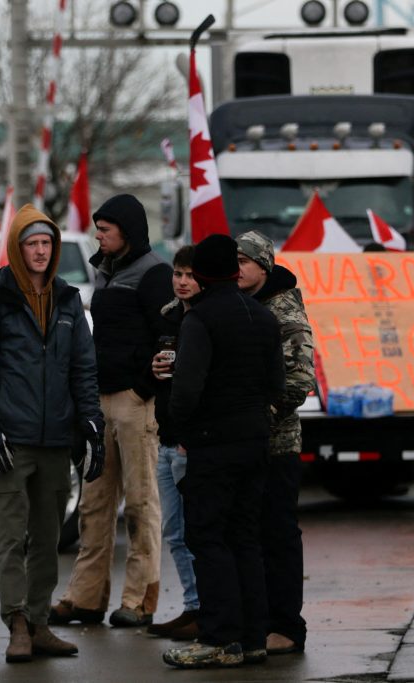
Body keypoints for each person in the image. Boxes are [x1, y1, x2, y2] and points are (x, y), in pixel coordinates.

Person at [0, 205, 104, 663]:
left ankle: (40, 622)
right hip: (10, 439)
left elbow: (83, 368)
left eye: (47, 243)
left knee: (48, 537)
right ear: (17, 248)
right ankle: (18, 623)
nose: (41, 251)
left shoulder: (67, 299)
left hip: (55, 441)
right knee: (8, 537)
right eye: (32, 244)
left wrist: (89, 425)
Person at [162, 234, 284, 669]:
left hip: (212, 445)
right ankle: (252, 638)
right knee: (245, 539)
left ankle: (218, 638)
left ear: (202, 275)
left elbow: (186, 390)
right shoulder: (263, 317)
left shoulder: (200, 321)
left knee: (207, 538)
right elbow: (277, 386)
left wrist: (177, 428)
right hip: (255, 442)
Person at [51, 194, 173, 629]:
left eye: (105, 229)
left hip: (135, 402)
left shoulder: (155, 273)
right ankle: (85, 598)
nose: (98, 236)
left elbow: (168, 335)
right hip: (99, 400)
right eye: (98, 229)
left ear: (128, 231)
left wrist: (144, 388)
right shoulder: (103, 272)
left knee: (141, 503)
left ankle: (140, 599)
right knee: (94, 503)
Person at [235, 230, 315, 655]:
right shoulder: (239, 304)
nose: (237, 269)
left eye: (243, 262)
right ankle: (257, 622)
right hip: (242, 444)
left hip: (276, 446)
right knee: (247, 536)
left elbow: (301, 380)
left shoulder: (285, 312)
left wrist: (256, 417)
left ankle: (286, 626)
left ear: (262, 267)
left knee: (278, 536)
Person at [146, 246, 202, 641]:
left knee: (198, 531)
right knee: (174, 532)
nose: (181, 282)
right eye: (177, 274)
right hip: (165, 437)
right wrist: (152, 368)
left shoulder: (205, 319)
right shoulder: (168, 316)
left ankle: (208, 607)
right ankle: (193, 604)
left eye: (189, 275)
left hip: (190, 443)